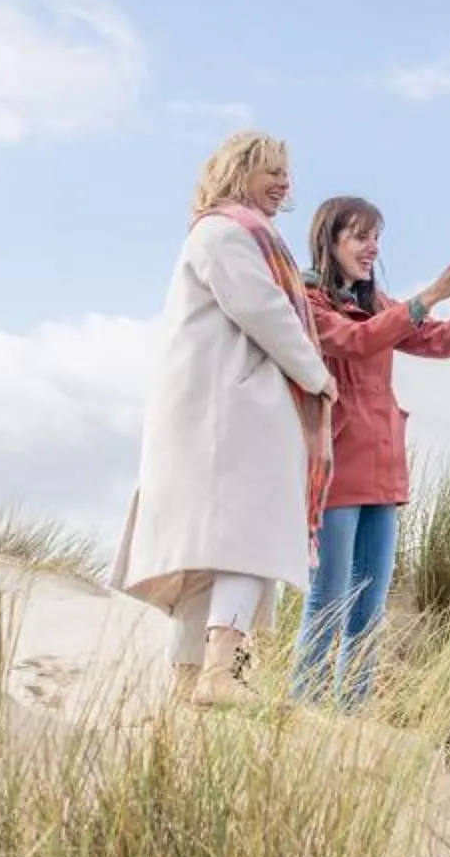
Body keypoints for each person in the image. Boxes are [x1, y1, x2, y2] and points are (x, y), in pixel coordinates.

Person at [111, 130, 335, 707]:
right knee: (250, 540)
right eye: (271, 170)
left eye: (286, 172)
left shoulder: (230, 233)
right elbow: (263, 309)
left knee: (211, 551)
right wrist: (316, 376)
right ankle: (221, 673)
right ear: (237, 172)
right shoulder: (226, 233)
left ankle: (192, 681)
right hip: (232, 412)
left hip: (218, 413)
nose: (284, 182)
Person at [290, 194, 450, 706]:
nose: (372, 248)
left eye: (377, 238)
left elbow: (438, 341)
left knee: (369, 608)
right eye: (360, 237)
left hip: (384, 470)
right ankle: (303, 713)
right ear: (330, 241)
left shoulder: (380, 304)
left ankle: (352, 717)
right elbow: (356, 340)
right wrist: (430, 294)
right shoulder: (308, 302)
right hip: (335, 466)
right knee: (328, 599)